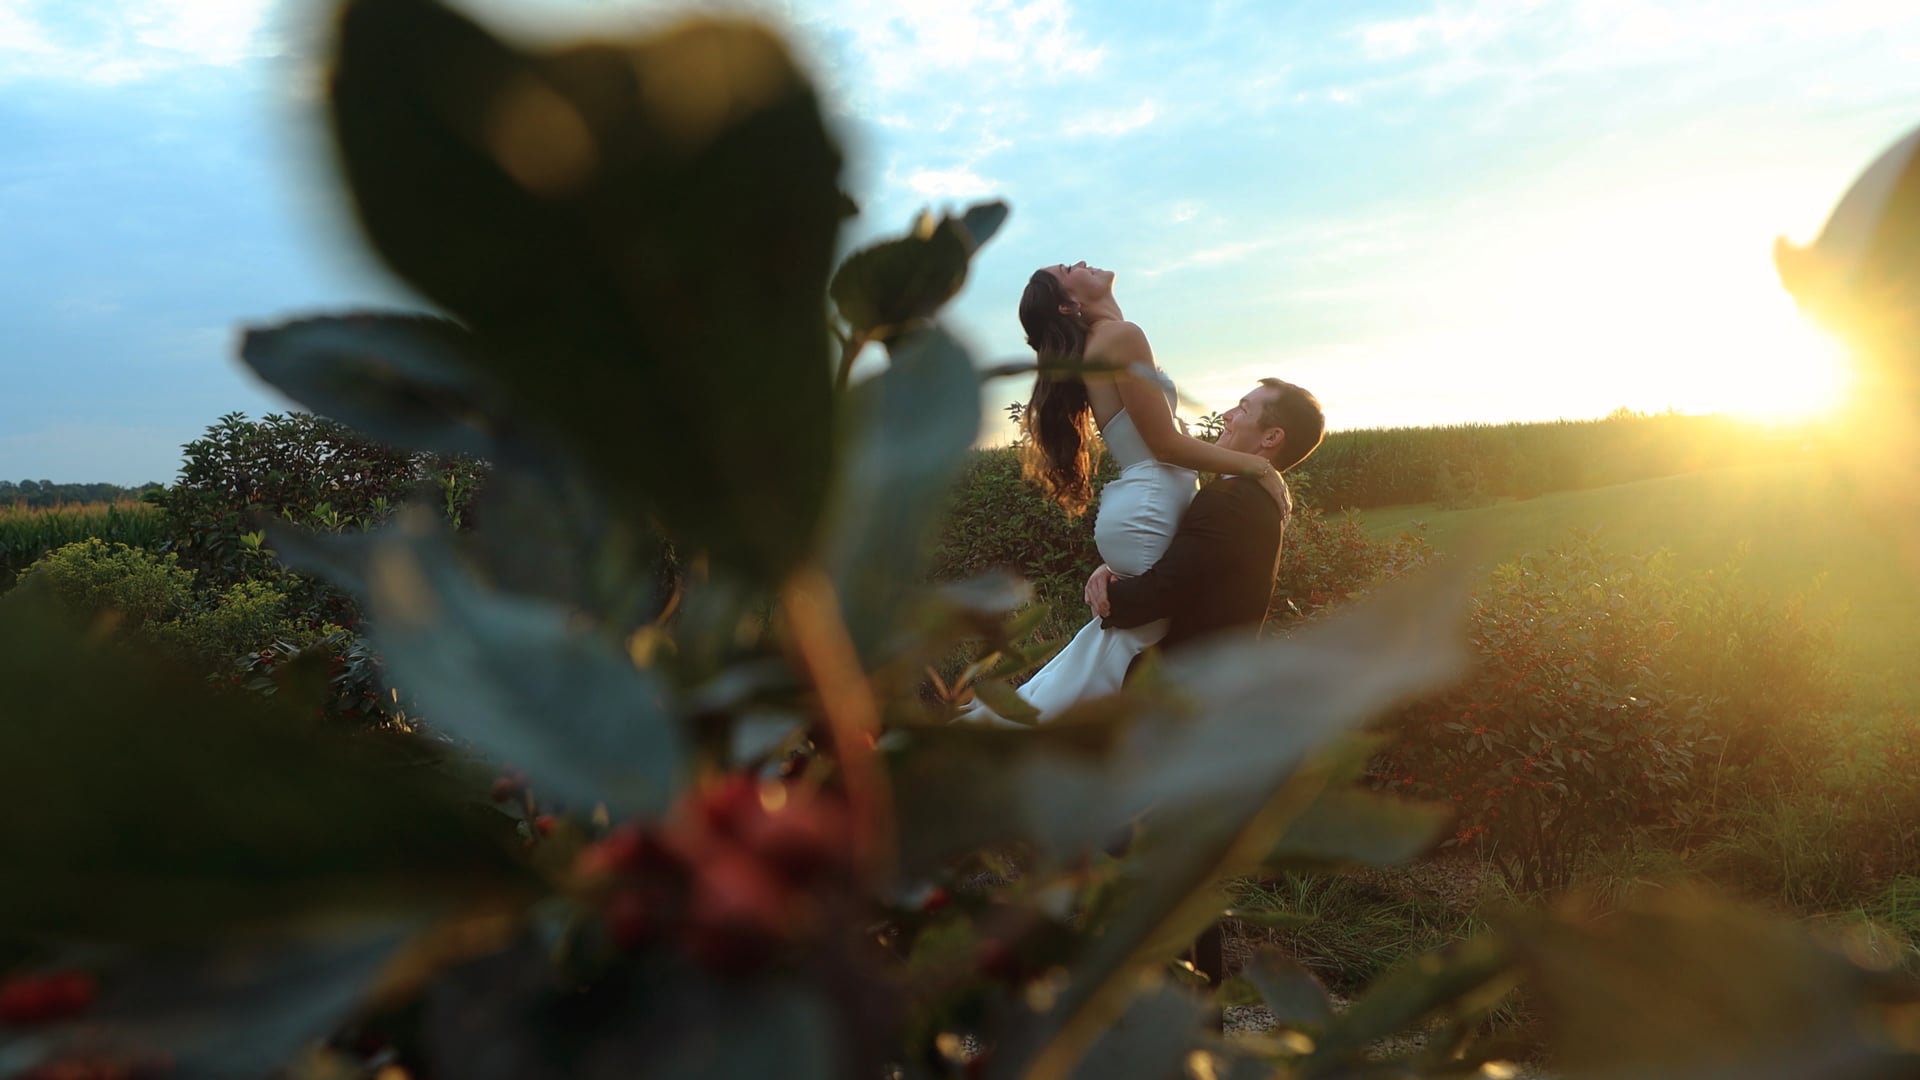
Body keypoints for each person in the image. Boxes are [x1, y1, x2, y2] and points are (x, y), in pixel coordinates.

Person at [1084, 376, 1326, 1005]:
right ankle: (1182, 1022)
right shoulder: (1249, 496)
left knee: (1132, 856)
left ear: (1270, 437)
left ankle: (1154, 1017)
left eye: (1244, 408)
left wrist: (1110, 591)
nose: (1227, 412)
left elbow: (1162, 591)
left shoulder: (1233, 502)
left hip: (1181, 706)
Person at [964, 260, 1290, 723]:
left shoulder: (1106, 340)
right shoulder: (1121, 336)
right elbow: (1165, 443)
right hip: (1151, 501)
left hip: (1143, 503)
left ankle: (1019, 729)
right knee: (1131, 649)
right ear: (1067, 303)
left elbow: (1164, 438)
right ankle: (1036, 740)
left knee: (1116, 648)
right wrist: (1261, 467)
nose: (1078, 261)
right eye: (1066, 269)